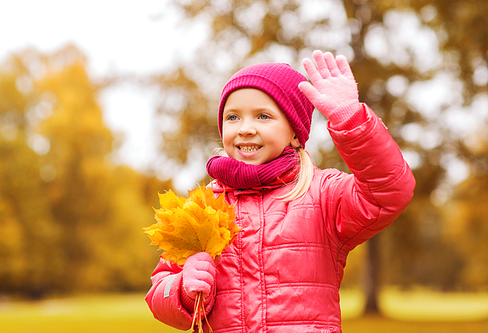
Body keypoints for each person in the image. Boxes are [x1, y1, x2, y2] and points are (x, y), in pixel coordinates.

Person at [145, 50, 415, 333]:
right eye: (233, 117)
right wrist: (185, 290)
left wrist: (351, 121)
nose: (246, 129)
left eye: (263, 116)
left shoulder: (322, 195)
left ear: (295, 132)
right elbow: (160, 294)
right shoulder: (203, 208)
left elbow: (389, 190)